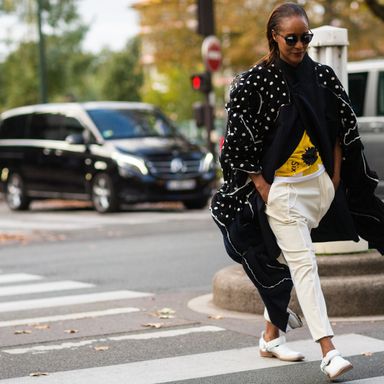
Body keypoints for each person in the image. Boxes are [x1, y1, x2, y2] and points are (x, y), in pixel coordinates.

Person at [211, 2, 384, 381]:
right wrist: (262, 186)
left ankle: (271, 337)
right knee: (305, 264)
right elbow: (238, 143)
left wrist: (335, 177)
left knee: (290, 260)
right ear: (274, 36)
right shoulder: (255, 81)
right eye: (292, 38)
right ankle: (329, 350)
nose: (300, 45)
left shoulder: (321, 76)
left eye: (306, 37)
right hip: (283, 192)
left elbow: (342, 126)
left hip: (319, 185)